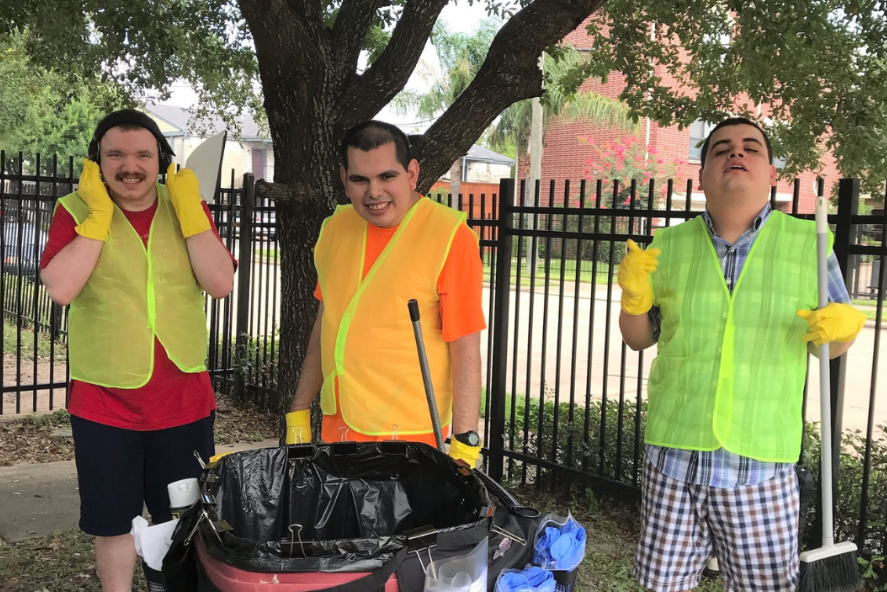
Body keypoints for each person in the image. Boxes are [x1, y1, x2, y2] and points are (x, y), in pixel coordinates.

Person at [617, 117, 866, 592]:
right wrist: (633, 300)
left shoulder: (807, 245)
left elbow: (828, 343)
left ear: (771, 173)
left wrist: (844, 329)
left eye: (751, 147)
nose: (736, 153)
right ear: (702, 174)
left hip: (761, 469)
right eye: (721, 149)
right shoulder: (666, 247)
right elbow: (639, 338)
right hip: (673, 460)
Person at [40, 109, 236, 591]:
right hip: (104, 401)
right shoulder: (74, 209)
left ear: (161, 160)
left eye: (144, 155)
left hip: (183, 399)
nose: (131, 166)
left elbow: (219, 282)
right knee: (111, 522)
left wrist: (192, 213)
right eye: (116, 155)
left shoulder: (186, 206)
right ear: (97, 163)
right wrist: (99, 217)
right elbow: (61, 288)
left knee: (184, 523)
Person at [284, 120, 486, 467]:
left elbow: (465, 345)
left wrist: (465, 445)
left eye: (386, 177)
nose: (374, 192)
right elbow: (325, 325)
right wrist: (298, 412)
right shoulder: (334, 229)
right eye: (360, 180)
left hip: (410, 439)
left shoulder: (450, 235)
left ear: (411, 174)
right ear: (344, 179)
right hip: (339, 432)